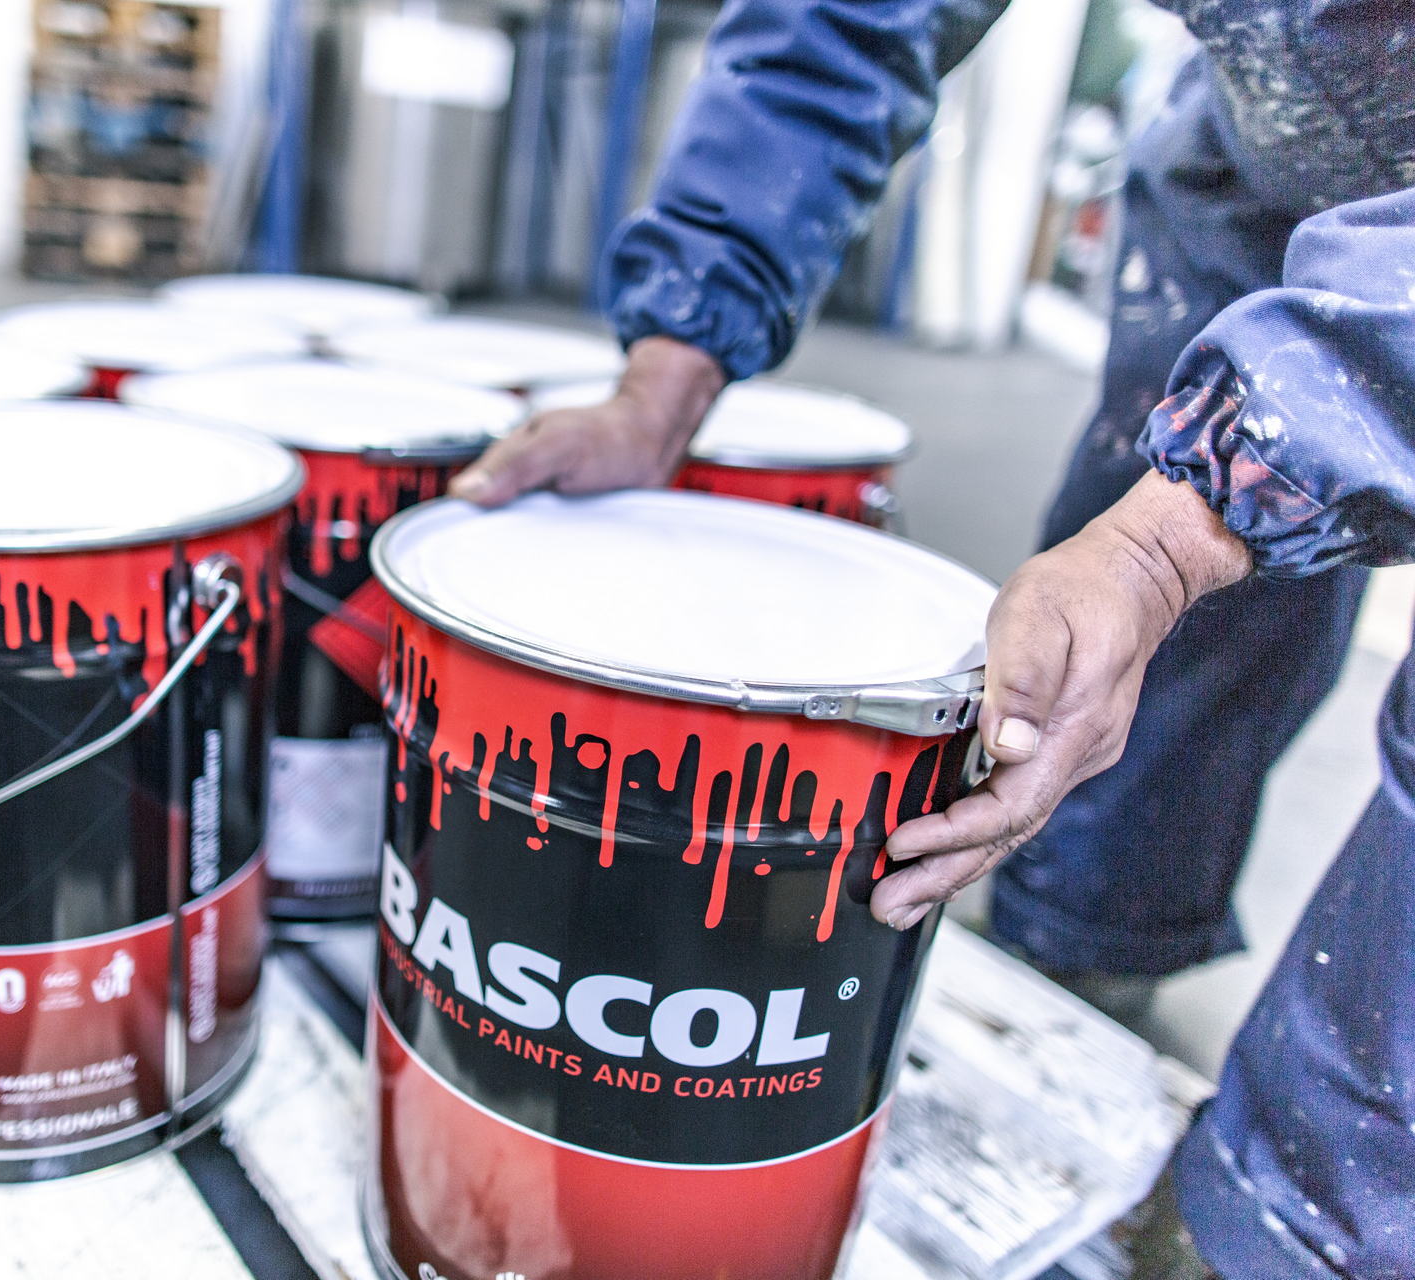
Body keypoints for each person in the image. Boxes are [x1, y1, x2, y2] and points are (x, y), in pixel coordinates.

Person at [448, 2, 1415, 1275]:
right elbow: (836, 21)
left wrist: (1167, 546)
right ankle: (1077, 984)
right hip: (1265, 156)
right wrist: (658, 390)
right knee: (1108, 648)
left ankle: (1295, 1226)